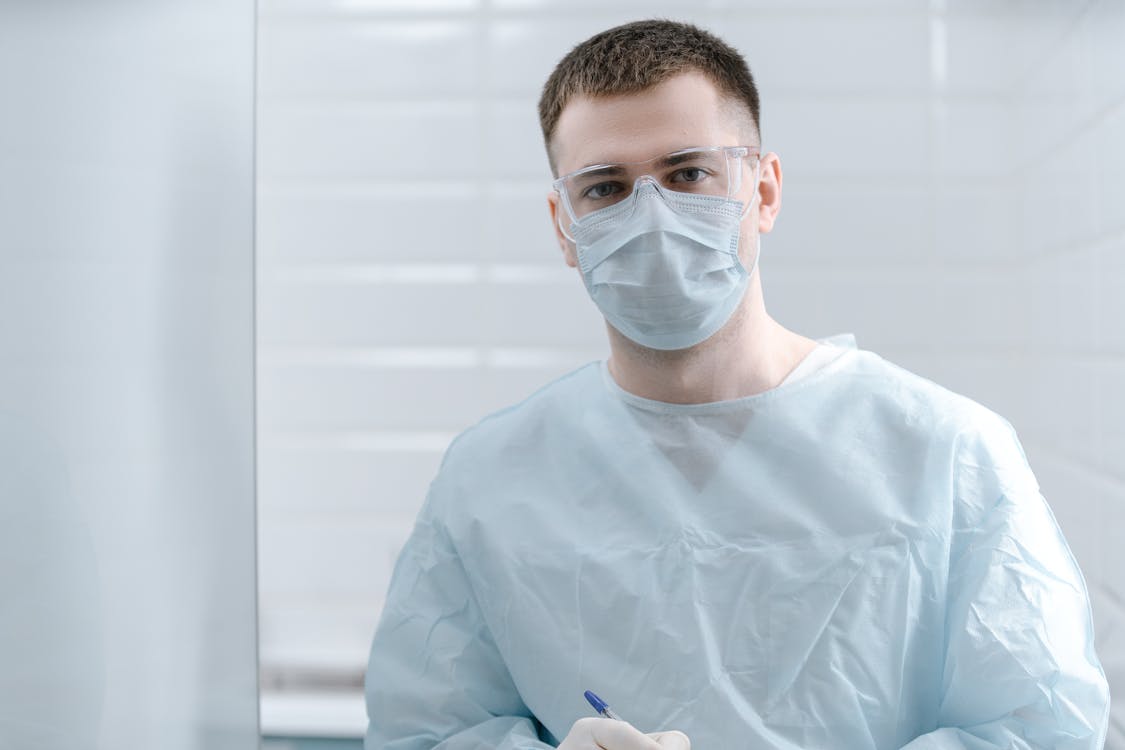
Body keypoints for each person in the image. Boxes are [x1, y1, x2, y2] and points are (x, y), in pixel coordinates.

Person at [364, 19, 1110, 750]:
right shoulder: (492, 477)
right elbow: (427, 729)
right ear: (563, 225)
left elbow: (1039, 729)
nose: (650, 218)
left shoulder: (946, 453)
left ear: (763, 191)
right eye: (605, 188)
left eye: (688, 173)